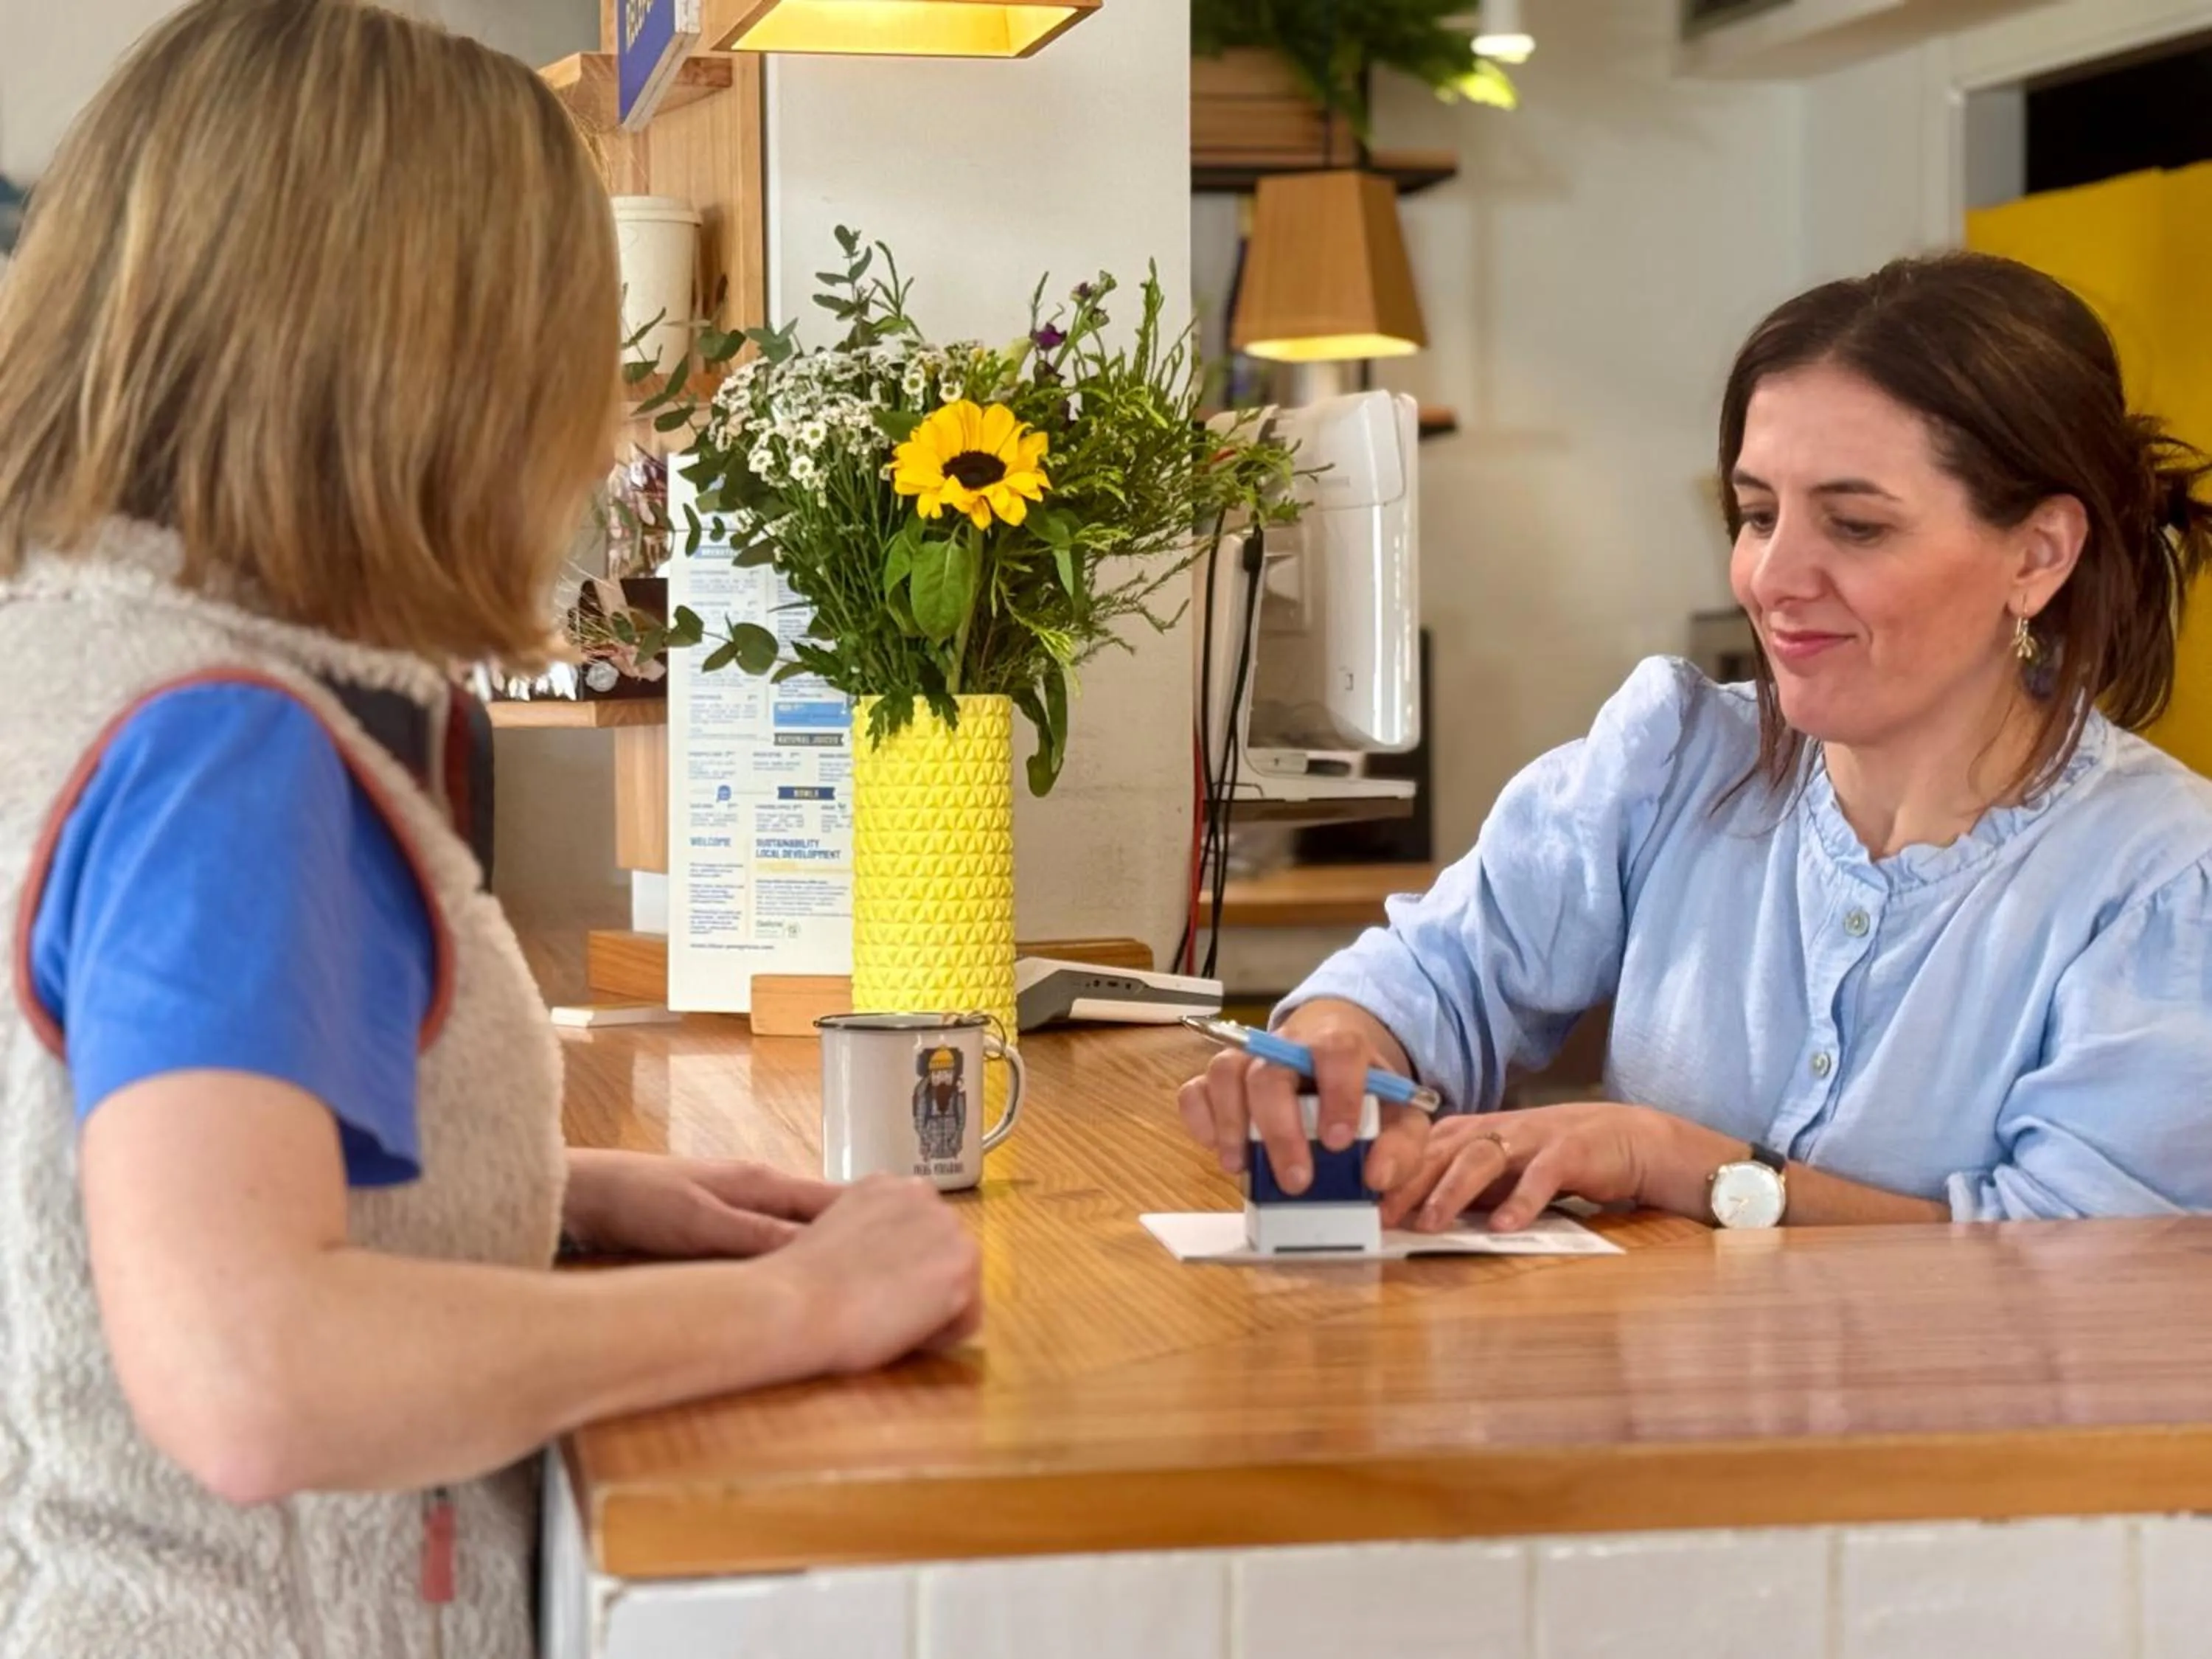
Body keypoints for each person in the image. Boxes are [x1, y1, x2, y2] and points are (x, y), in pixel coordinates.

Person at [0, 3, 979, 1655]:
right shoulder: (229, 762)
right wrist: (790, 1308)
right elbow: (250, 1370)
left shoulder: (79, 650)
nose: (599, 428)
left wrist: (553, 1188)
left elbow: (134, 1173)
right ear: (422, 372)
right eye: (574, 355)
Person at [1180, 251, 2212, 1235]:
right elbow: (1439, 974)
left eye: (1855, 526)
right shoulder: (1674, 755)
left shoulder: (2163, 877)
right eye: (1758, 514)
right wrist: (1338, 1048)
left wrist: (1673, 1162)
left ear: (2038, 554)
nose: (1774, 576)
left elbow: (2085, 1260)